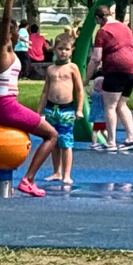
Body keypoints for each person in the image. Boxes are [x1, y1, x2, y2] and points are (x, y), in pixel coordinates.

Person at [0, 0, 63, 197]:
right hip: (5, 106)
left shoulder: (4, 52)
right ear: (8, 33)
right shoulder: (3, 49)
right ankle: (28, 180)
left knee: (17, 133)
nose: (19, 33)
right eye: (15, 29)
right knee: (52, 135)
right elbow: (7, 18)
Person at [89, 4, 133, 150]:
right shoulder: (125, 27)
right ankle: (132, 137)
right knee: (121, 104)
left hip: (117, 67)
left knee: (110, 105)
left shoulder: (103, 31)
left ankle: (111, 142)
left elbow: (96, 58)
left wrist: (86, 78)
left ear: (98, 18)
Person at [39, 29, 87, 184]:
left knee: (66, 142)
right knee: (53, 141)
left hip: (67, 109)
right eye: (60, 49)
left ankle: (67, 174)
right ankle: (56, 171)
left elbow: (79, 89)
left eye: (67, 49)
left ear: (71, 51)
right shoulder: (50, 69)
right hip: (52, 109)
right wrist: (39, 111)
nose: (63, 52)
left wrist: (79, 109)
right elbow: (46, 90)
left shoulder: (72, 68)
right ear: (54, 49)